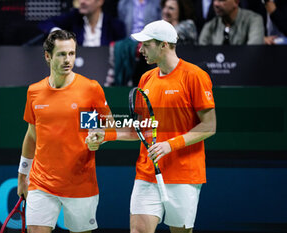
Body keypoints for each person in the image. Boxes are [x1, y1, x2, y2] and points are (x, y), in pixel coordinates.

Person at [88, 20, 216, 233]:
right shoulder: (146, 78)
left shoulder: (194, 76)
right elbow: (141, 129)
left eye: (146, 44)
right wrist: (106, 134)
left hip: (183, 175)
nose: (140, 50)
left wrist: (170, 145)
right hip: (147, 173)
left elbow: (209, 126)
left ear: (164, 45)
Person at [17, 30, 113, 233]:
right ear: (47, 56)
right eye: (61, 54)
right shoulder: (34, 92)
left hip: (80, 183)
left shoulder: (90, 89)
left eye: (71, 53)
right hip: (41, 183)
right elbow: (32, 135)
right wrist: (22, 175)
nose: (68, 59)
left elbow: (108, 125)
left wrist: (99, 136)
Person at [38, 0, 125, 47]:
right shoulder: (74, 17)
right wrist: (57, 32)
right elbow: (45, 23)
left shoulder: (115, 25)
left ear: (100, 1)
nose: (81, 1)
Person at [198, 0, 264, 45]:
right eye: (215, 0)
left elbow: (253, 50)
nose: (216, 4)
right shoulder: (210, 25)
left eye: (222, 0)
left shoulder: (253, 20)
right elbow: (202, 52)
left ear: (236, 2)